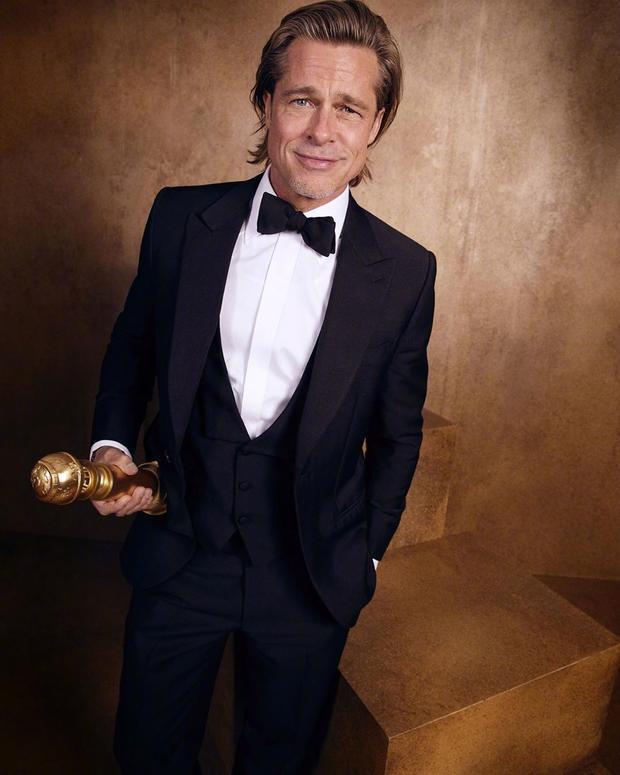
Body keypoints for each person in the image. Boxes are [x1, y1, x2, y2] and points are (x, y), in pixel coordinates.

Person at [89, 1, 436, 772]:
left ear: (376, 124)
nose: (322, 131)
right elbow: (131, 349)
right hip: (180, 552)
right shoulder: (180, 219)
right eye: (302, 100)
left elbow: (399, 433)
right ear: (266, 103)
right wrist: (112, 446)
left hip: (311, 576)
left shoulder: (408, 272)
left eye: (349, 107)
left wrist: (366, 557)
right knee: (146, 754)